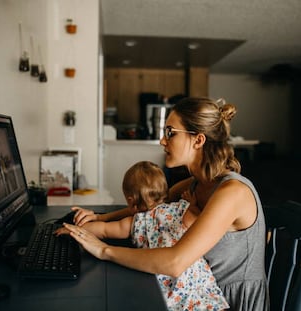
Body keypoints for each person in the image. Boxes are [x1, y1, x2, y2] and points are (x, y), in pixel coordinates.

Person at [63, 97, 269, 311]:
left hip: (226, 301)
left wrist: (104, 250)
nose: (163, 140)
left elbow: (175, 262)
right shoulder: (195, 183)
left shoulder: (232, 192)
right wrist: (100, 217)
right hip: (194, 293)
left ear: (198, 140)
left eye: (170, 132)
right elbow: (153, 209)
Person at [56, 161, 229, 311]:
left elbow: (103, 230)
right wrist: (192, 205)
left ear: (131, 201)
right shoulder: (181, 209)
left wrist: (75, 229)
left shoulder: (136, 222)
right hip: (197, 283)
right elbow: (195, 221)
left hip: (167, 286)